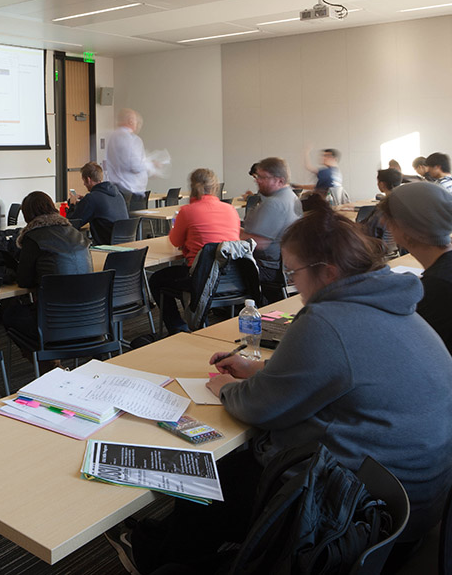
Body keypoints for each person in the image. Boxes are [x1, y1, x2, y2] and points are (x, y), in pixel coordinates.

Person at [110, 201, 452, 573]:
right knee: (232, 471)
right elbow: (335, 374)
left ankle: (156, 558)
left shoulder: (328, 320)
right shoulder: (392, 304)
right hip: (413, 500)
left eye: (295, 272)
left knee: (210, 478)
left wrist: (225, 386)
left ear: (328, 272)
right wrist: (258, 369)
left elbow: (258, 407)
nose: (293, 283)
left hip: (354, 513)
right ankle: (164, 543)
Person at [148, 168, 241, 335]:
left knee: (156, 279)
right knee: (184, 276)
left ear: (192, 186)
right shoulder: (231, 210)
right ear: (215, 187)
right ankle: (196, 316)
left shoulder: (188, 211)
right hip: (231, 278)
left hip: (201, 278)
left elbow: (175, 241)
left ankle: (178, 328)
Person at [0, 191, 91, 341]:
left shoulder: (33, 238)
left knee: (9, 312)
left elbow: (24, 281)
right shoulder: (77, 234)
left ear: (28, 215)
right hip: (88, 317)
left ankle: (48, 362)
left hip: (53, 320)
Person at [377, 181, 452, 352]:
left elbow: (408, 349)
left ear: (407, 229)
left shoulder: (437, 287)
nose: (382, 223)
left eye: (388, 219)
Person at [239, 157, 301, 284]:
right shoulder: (291, 197)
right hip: (286, 266)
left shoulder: (274, 203)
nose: (257, 181)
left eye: (263, 177)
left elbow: (259, 243)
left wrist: (230, 233)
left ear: (279, 181)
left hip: (268, 269)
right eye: (257, 177)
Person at [65, 161, 128, 244]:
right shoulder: (118, 194)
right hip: (125, 246)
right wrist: (85, 200)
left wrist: (72, 204)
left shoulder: (92, 198)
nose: (84, 184)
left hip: (104, 246)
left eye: (84, 181)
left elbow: (72, 224)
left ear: (88, 179)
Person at [103, 108, 158, 199]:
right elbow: (135, 166)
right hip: (130, 192)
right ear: (131, 121)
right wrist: (151, 166)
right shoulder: (131, 139)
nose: (138, 125)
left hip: (118, 189)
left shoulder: (113, 136)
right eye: (137, 121)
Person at [361, 168, 400, 257]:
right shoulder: (402, 204)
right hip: (395, 252)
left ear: (382, 184)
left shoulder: (384, 208)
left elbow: (368, 230)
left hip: (377, 254)